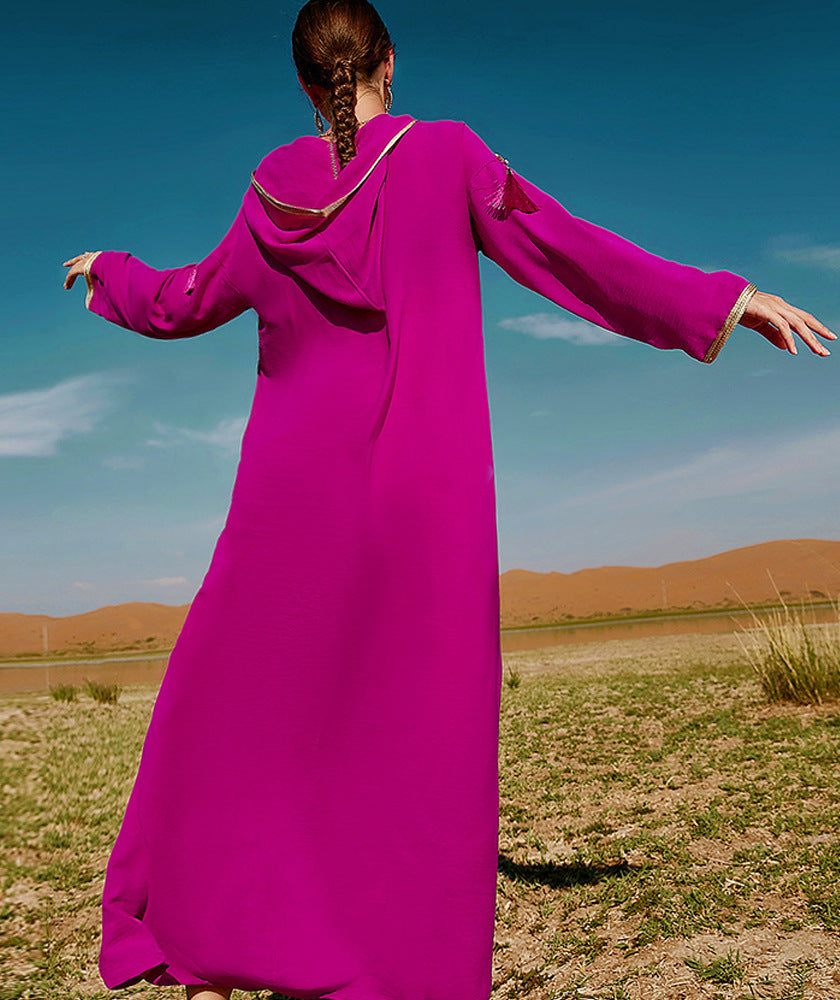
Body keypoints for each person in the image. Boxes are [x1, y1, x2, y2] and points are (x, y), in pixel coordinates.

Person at [63, 2, 834, 998]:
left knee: (252, 711)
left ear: (305, 87)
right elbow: (564, 248)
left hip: (287, 504)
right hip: (424, 499)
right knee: (416, 732)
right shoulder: (448, 157)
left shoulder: (265, 200)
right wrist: (716, 297)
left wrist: (113, 274)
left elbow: (186, 297)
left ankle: (230, 926)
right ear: (389, 61)